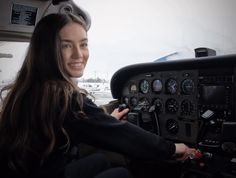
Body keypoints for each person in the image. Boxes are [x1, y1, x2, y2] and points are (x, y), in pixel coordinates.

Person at [0, 13, 196, 178]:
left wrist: (106, 121)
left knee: (101, 160)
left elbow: (91, 124)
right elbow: (123, 135)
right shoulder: (61, 97)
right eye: (66, 45)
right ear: (46, 51)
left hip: (39, 170)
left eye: (83, 44)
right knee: (121, 173)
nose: (79, 54)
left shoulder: (29, 89)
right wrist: (172, 148)